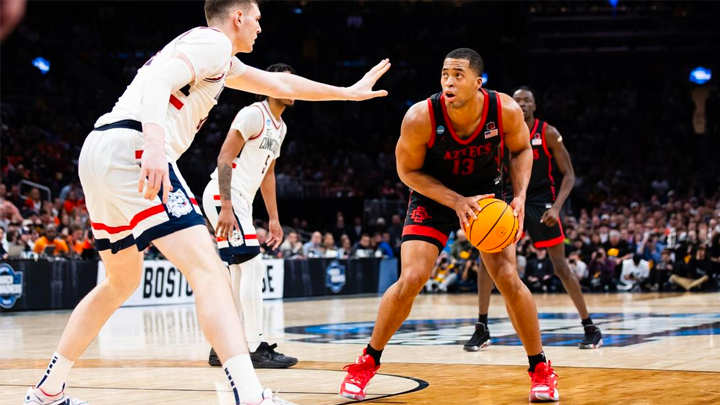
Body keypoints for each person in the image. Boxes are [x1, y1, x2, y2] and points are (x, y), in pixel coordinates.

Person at [25, 0, 390, 404]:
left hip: (100, 151)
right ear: (237, 17)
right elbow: (159, 80)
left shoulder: (220, 60)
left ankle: (48, 389)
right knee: (211, 272)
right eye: (256, 18)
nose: (260, 27)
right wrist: (154, 144)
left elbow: (281, 85)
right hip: (133, 145)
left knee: (121, 280)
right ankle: (249, 395)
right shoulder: (212, 42)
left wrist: (347, 93)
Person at [340, 49, 559, 403]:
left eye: (458, 75)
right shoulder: (419, 117)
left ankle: (540, 370)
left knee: (506, 276)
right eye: (444, 74)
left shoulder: (504, 110)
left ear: (477, 82)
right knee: (411, 278)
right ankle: (366, 362)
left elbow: (521, 151)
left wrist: (518, 197)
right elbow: (406, 171)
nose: (449, 82)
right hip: (435, 194)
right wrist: (455, 201)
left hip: (487, 194)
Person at [467, 86, 602, 354]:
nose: (523, 104)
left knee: (561, 266)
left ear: (534, 106)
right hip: (508, 197)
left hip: (541, 201)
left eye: (527, 100)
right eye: (517, 101)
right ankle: (482, 327)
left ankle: (590, 327)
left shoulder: (548, 133)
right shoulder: (501, 133)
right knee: (486, 263)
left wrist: (558, 208)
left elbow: (569, 175)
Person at [202, 63, 301, 369]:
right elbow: (224, 158)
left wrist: (273, 218)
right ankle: (255, 345)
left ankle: (222, 346)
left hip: (242, 200)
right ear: (269, 87)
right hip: (224, 195)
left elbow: (268, 172)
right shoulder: (253, 114)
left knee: (239, 273)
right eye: (285, 82)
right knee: (253, 267)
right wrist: (227, 205)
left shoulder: (280, 128)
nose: (292, 88)